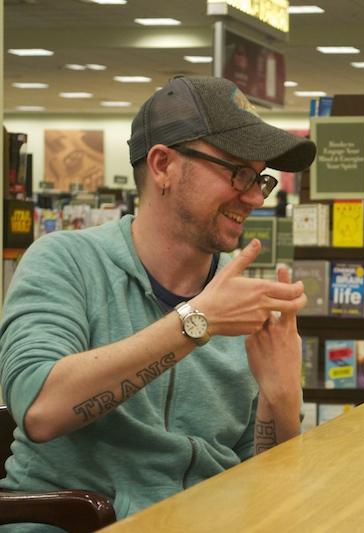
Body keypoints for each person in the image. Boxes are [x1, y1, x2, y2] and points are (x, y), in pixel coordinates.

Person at [0, 75, 317, 524]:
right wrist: (197, 321)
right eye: (237, 173)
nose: (252, 197)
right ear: (163, 165)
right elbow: (40, 411)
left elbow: (263, 479)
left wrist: (281, 397)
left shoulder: (244, 304)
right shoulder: (65, 261)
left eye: (260, 179)